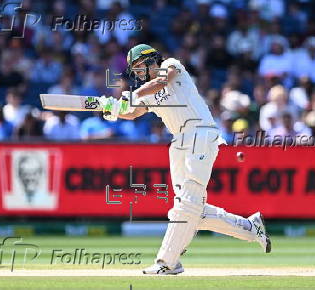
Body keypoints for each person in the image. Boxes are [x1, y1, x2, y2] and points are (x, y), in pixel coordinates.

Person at [98, 44, 271, 275]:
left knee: (187, 204)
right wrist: (112, 109)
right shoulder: (147, 92)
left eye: (140, 66)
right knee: (193, 210)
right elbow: (133, 112)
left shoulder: (171, 65)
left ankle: (167, 262)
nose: (138, 72)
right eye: (134, 69)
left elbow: (159, 82)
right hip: (179, 142)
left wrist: (134, 94)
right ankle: (250, 228)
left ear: (152, 60)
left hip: (201, 134)